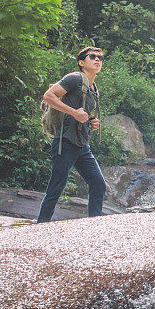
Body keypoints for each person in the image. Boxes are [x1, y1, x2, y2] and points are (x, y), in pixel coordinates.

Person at [37, 46, 107, 223]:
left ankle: (94, 226)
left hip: (82, 145)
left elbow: (82, 111)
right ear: (81, 62)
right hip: (65, 142)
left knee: (98, 184)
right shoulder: (74, 78)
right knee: (56, 187)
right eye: (93, 57)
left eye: (100, 58)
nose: (97, 60)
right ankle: (40, 227)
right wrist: (74, 113)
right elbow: (48, 96)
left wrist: (91, 120)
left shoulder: (92, 87)